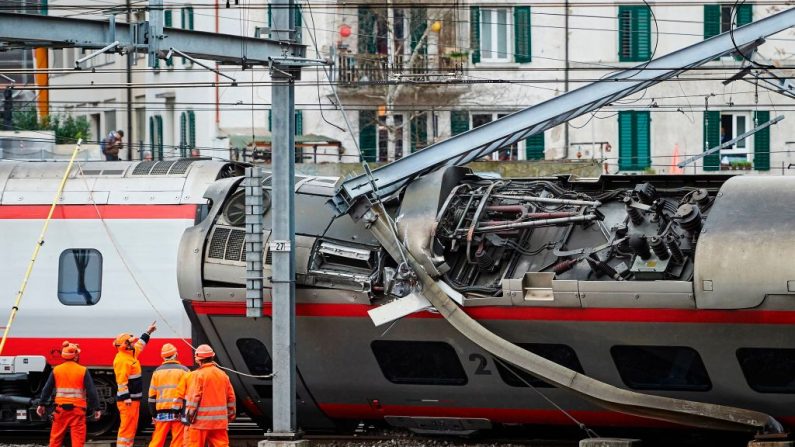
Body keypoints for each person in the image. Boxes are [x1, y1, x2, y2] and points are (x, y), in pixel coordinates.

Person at [36, 341, 102, 447]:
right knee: (78, 441)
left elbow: (47, 389)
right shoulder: (83, 370)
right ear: (75, 356)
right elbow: (91, 391)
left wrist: (41, 404)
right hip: (78, 411)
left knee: (55, 440)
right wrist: (97, 408)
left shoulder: (56, 370)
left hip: (60, 411)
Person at [113, 322, 157, 447]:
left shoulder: (130, 354)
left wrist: (148, 332)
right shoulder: (122, 360)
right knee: (127, 427)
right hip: (128, 401)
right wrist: (126, 397)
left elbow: (140, 344)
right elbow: (121, 382)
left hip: (133, 400)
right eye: (131, 342)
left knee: (131, 427)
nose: (134, 343)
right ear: (125, 345)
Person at [184, 345, 235, 447]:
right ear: (212, 357)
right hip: (219, 423)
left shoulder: (198, 375)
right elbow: (231, 397)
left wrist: (189, 416)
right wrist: (230, 415)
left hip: (200, 424)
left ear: (199, 359)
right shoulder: (223, 375)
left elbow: (194, 398)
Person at [148, 343, 189, 447]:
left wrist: (153, 414)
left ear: (163, 356)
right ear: (175, 354)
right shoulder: (184, 370)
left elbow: (152, 396)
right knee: (178, 440)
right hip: (179, 412)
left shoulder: (157, 372)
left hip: (161, 412)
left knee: (157, 440)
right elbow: (189, 393)